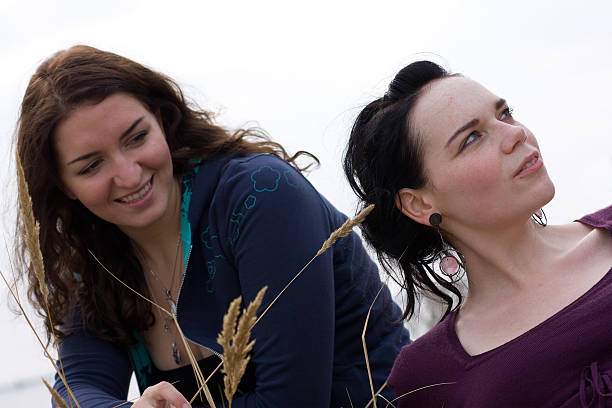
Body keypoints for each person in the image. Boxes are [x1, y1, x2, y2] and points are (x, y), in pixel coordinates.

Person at [15, 45, 409, 408]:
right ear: (62, 185)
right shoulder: (98, 262)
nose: (129, 174)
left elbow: (293, 402)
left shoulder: (260, 196)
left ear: (162, 120)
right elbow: (76, 389)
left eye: (136, 138)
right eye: (91, 165)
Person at [343, 60, 612, 407]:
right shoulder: (427, 377)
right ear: (419, 203)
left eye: (505, 114)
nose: (515, 134)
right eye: (471, 138)